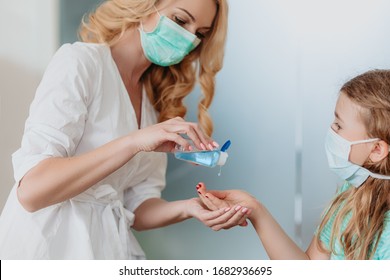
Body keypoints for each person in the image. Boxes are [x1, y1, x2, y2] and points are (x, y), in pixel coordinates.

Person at [0, 0, 249, 259]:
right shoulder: (81, 63)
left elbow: (137, 207)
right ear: (144, 6)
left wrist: (191, 208)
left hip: (103, 250)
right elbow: (32, 190)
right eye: (180, 21)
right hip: (48, 249)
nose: (188, 39)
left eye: (200, 34)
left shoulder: (153, 107)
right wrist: (134, 142)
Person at [197, 69, 390, 260]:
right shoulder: (351, 193)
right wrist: (255, 210)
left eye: (339, 125)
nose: (331, 129)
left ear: (376, 150)